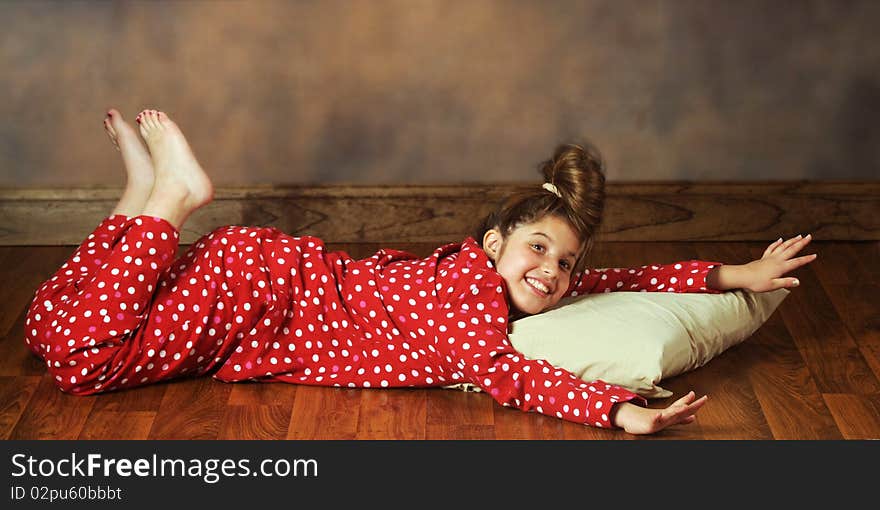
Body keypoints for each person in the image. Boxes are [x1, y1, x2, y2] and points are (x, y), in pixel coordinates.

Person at [23, 108, 817, 435]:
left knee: (48, 321)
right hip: (259, 302)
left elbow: (632, 278)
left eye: (568, 265)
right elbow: (514, 379)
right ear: (497, 240)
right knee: (85, 358)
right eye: (538, 248)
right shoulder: (474, 302)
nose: (555, 271)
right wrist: (618, 412)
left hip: (254, 280)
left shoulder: (507, 286)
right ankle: (174, 200)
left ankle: (135, 202)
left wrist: (734, 275)